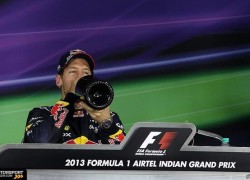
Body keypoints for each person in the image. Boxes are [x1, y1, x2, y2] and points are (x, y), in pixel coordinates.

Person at [22, 49, 125, 144]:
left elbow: (125, 158)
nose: (80, 77)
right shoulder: (42, 113)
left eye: (86, 73)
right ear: (59, 80)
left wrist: (107, 125)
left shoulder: (109, 117)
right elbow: (40, 142)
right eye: (73, 71)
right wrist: (70, 98)